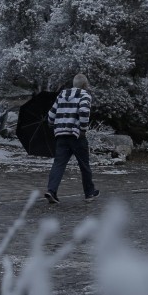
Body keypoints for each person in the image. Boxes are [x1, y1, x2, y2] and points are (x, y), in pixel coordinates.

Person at [45, 73, 100, 204]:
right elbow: (84, 112)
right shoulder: (85, 95)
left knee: (58, 164)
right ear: (85, 85)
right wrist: (83, 129)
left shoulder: (62, 95)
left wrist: (52, 124)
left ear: (74, 84)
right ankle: (89, 193)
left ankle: (51, 191)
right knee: (84, 164)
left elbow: (51, 115)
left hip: (61, 135)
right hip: (76, 135)